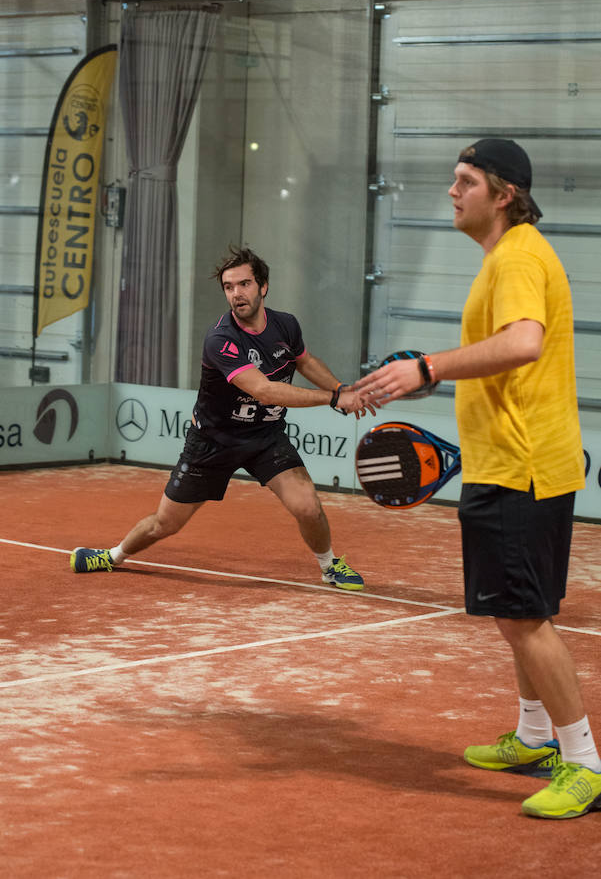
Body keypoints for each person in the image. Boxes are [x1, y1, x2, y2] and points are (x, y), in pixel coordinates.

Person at [354, 138, 601, 819]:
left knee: (523, 618)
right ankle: (531, 737)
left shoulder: (517, 256)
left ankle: (584, 764)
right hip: (518, 462)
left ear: (504, 194)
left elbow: (523, 342)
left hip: (519, 469)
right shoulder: (507, 258)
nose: (450, 190)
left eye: (464, 181)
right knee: (518, 611)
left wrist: (427, 368)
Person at [71, 246, 374, 591]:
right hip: (213, 443)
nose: (236, 294)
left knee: (308, 506)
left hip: (265, 438)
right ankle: (113, 556)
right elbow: (265, 391)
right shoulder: (222, 339)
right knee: (165, 524)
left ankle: (330, 566)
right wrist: (335, 399)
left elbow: (303, 361)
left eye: (244, 284)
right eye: (229, 287)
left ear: (263, 286)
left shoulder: (286, 325)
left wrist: (340, 386)